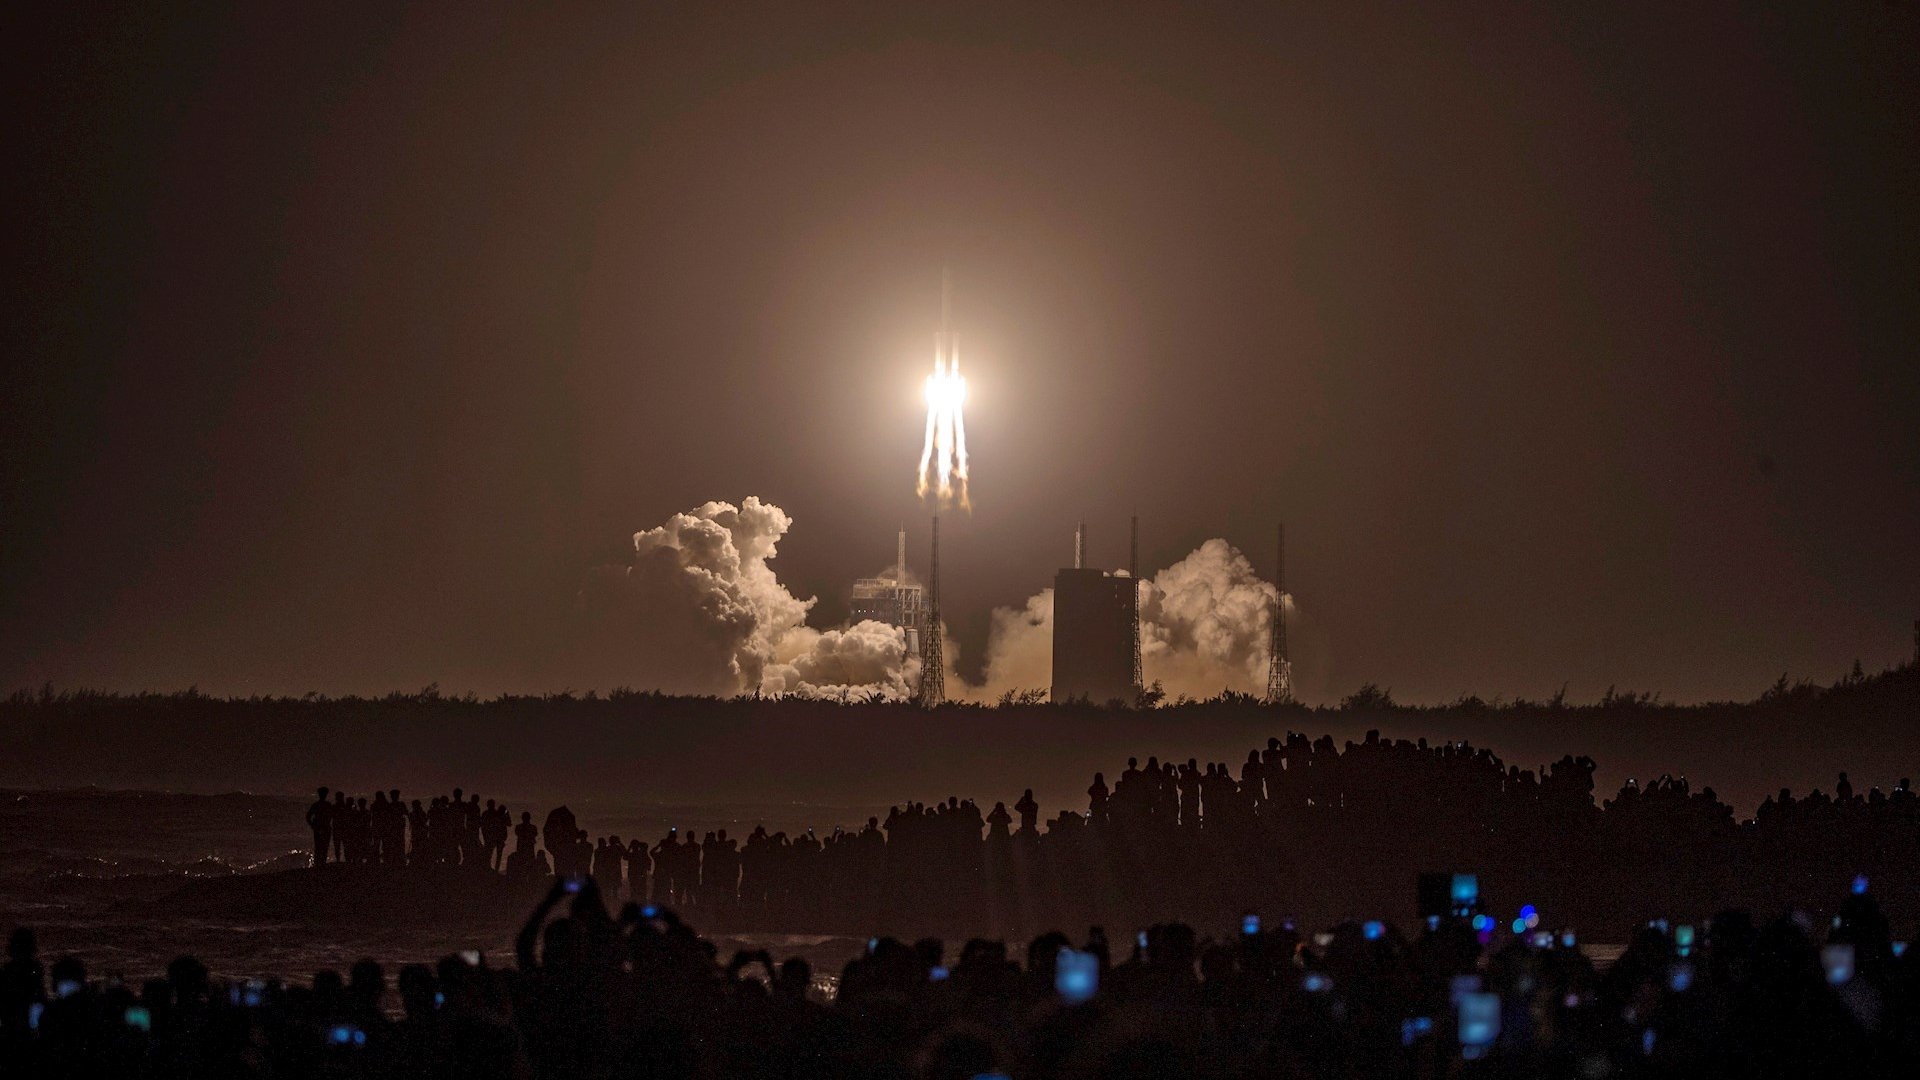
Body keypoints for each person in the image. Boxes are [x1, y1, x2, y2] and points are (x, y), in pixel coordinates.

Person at [306, 787, 333, 867]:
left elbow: (308, 817)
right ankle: (321, 864)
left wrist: (313, 826)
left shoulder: (316, 805)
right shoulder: (328, 805)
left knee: (319, 847)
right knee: (323, 847)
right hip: (324, 828)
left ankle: (318, 864)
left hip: (319, 828)